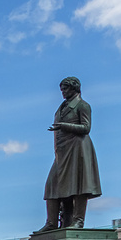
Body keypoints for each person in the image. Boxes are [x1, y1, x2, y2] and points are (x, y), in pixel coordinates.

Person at [40, 76, 102, 230]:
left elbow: (86, 128)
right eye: (61, 89)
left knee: (79, 184)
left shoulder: (82, 105)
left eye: (65, 89)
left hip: (78, 148)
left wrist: (64, 126)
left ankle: (78, 221)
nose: (63, 92)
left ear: (75, 88)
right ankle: (52, 222)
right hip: (62, 152)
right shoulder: (62, 107)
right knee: (52, 185)